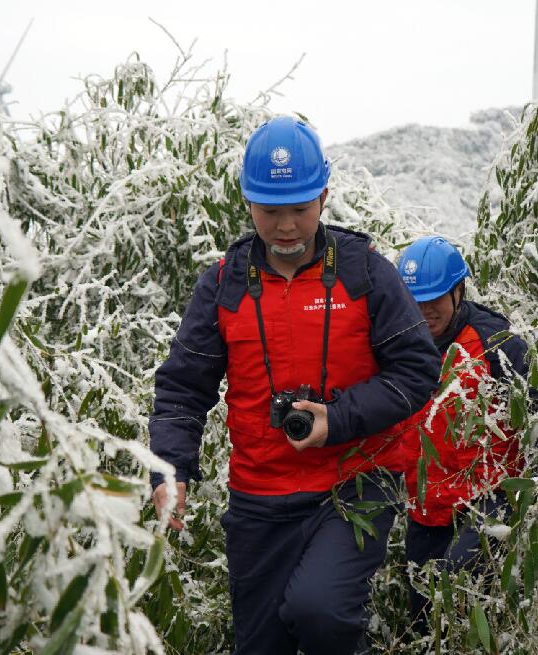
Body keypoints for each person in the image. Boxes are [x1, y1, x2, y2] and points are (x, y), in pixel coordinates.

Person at [148, 116, 442, 655]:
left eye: (299, 209)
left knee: (320, 610)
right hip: (258, 498)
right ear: (247, 203)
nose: (286, 225)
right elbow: (182, 390)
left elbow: (417, 369)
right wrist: (171, 469)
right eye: (270, 210)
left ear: (324, 197)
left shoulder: (366, 273)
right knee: (261, 645)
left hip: (352, 485)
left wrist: (339, 418)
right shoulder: (222, 284)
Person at [396, 236, 528, 633]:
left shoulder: (496, 343)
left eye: (435, 298)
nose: (424, 310)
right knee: (422, 616)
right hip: (425, 506)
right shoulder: (393, 341)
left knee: (459, 593)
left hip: (485, 503)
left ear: (459, 292)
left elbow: (537, 412)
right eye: (414, 299)